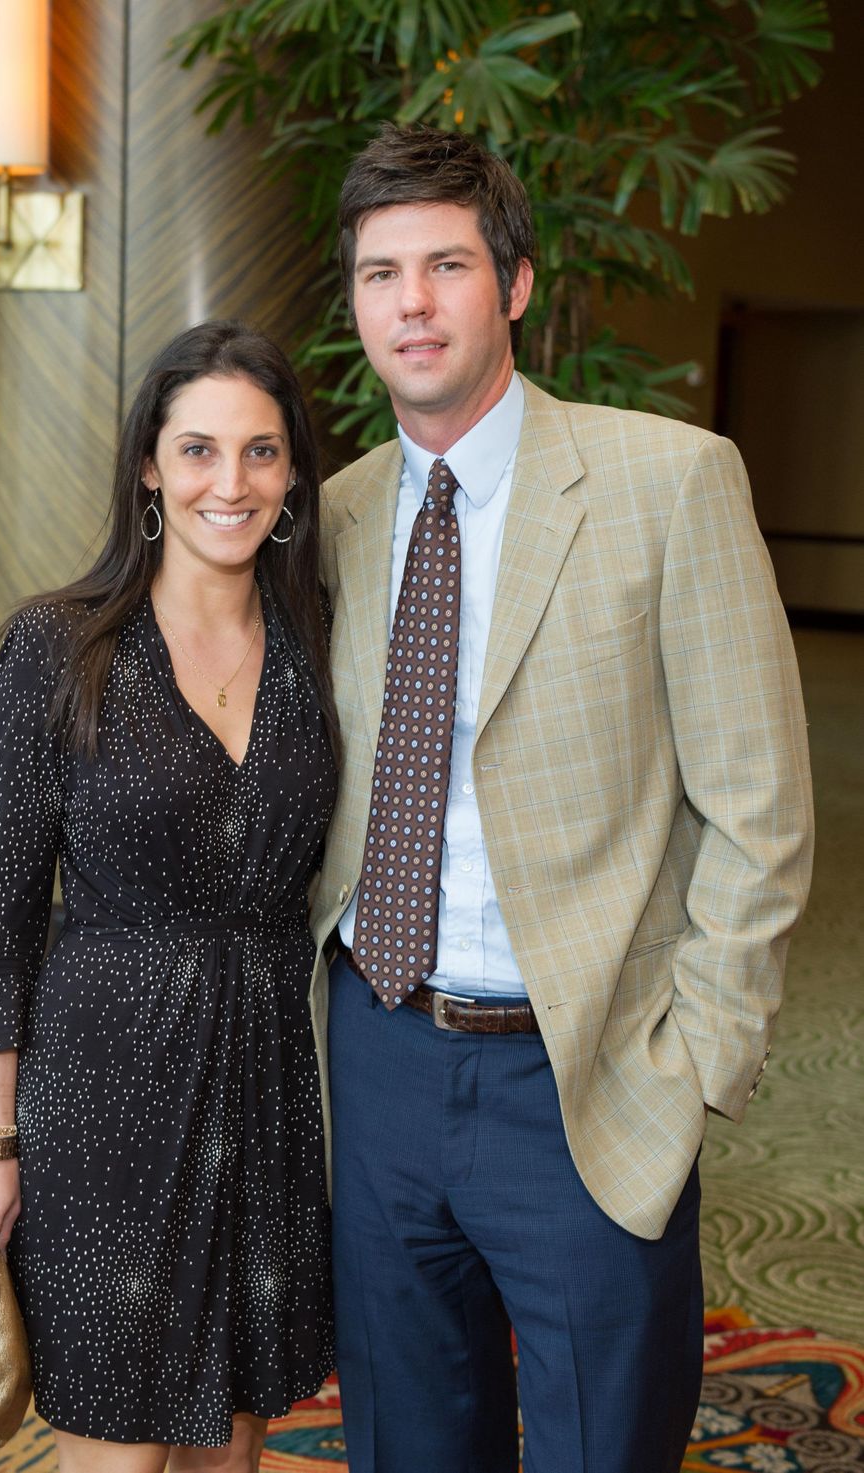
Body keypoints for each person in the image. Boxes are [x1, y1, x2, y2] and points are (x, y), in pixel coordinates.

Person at [308, 124, 814, 1473]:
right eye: (380, 274)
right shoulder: (333, 517)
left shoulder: (668, 482)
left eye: (447, 265)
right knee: (407, 1445)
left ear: (516, 283)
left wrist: (698, 1061)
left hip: (586, 1071)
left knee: (604, 1444)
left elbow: (760, 808)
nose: (412, 303)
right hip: (379, 1056)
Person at [0, 321, 339, 1473]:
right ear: (149, 470)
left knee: (232, 1448)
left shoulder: (319, 642)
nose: (231, 482)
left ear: (293, 474)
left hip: (267, 1091)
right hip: (103, 1100)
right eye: (198, 450)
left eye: (260, 452)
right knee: (117, 1447)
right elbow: (3, 914)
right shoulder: (58, 647)